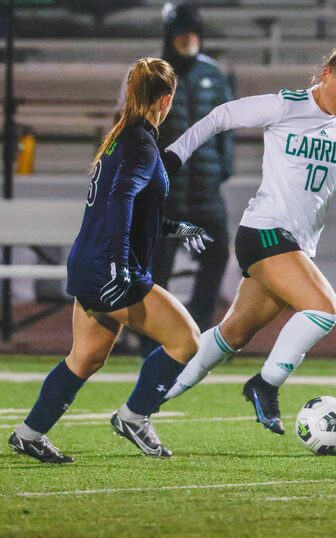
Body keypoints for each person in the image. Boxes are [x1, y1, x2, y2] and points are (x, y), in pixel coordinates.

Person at [158, 37, 336, 435]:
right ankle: (264, 384)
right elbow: (221, 115)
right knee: (324, 309)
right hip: (265, 230)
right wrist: (175, 155)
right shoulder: (286, 105)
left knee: (233, 333)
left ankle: (150, 399)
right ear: (327, 75)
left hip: (295, 244)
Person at [7, 58, 213, 463]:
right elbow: (120, 200)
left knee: (85, 357)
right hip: (109, 266)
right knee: (186, 340)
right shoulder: (140, 143)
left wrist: (176, 228)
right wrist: (120, 265)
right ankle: (134, 417)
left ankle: (29, 433)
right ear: (166, 100)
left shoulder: (123, 137)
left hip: (88, 262)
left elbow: (132, 209)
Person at [138, 2, 235, 356]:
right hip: (166, 194)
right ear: (169, 36)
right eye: (181, 33)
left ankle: (197, 327)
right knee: (157, 264)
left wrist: (224, 167)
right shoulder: (151, 75)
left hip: (206, 193)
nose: (188, 39)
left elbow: (227, 127)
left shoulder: (215, 73)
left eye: (193, 33)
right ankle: (152, 337)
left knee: (218, 253)